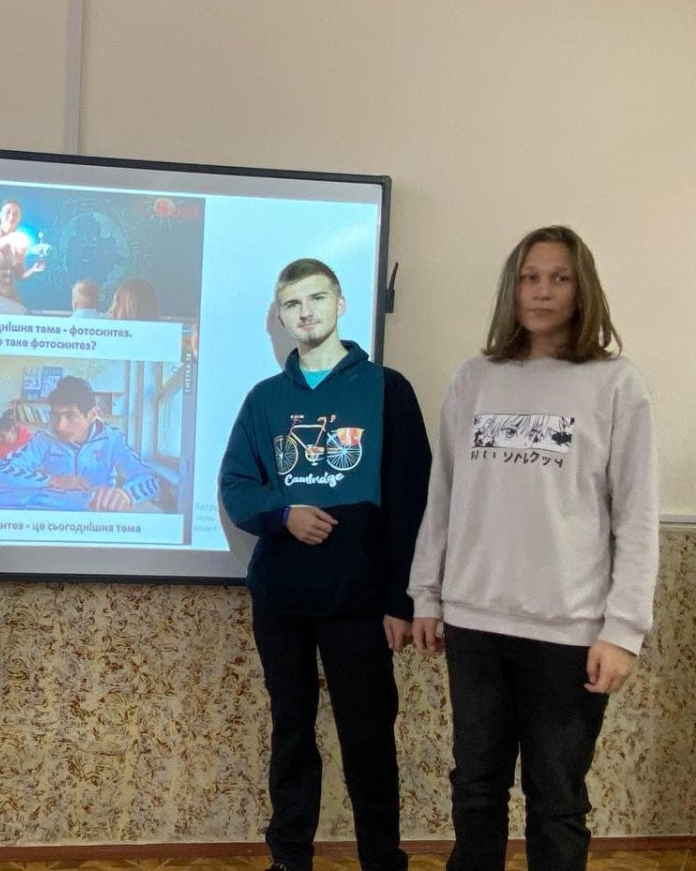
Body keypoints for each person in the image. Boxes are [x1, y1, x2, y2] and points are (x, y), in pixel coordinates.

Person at [408, 225, 658, 871]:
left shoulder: (615, 384)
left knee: (557, 802)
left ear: (582, 289)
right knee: (476, 789)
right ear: (511, 289)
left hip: (569, 633)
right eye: (529, 277)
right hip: (476, 624)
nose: (542, 291)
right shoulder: (474, 379)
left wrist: (623, 630)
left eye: (558, 278)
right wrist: (426, 594)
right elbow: (443, 495)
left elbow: (636, 519)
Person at [219, 258, 430, 871]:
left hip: (361, 602)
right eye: (292, 304)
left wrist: (402, 600)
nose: (305, 312)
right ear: (281, 317)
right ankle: (290, 857)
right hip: (281, 600)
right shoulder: (265, 399)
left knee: (369, 737)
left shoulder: (388, 389)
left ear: (340, 303)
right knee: (291, 731)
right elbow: (236, 486)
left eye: (315, 298)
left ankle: (382, 859)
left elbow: (412, 501)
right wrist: (284, 513)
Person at [0, 375, 159, 511]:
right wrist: (54, 481)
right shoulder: (43, 439)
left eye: (70, 415)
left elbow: (150, 481)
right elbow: (1, 471)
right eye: (56, 415)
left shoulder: (112, 438)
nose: (59, 426)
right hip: (53, 519)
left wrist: (127, 495)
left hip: (97, 519)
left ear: (92, 415)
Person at [0, 199, 45, 314]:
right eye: (8, 212)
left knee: (29, 315)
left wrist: (33, 269)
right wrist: (10, 238)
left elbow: (19, 275)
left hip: (9, 297)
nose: (11, 216)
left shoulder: (18, 242)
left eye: (15, 213)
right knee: (23, 314)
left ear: (19, 217)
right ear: (0, 215)